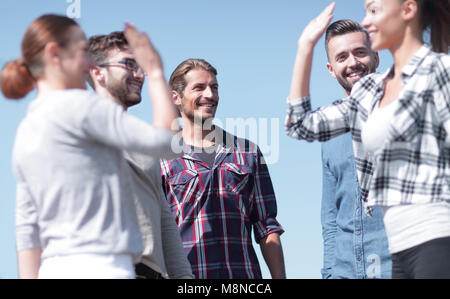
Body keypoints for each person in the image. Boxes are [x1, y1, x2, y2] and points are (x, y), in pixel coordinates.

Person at [1, 15, 180, 278]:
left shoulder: (25, 131)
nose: (88, 63)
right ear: (54, 54)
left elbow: (27, 230)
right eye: (83, 51)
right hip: (105, 267)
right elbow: (169, 144)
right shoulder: (82, 107)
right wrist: (154, 72)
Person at [285, 1, 450, 279]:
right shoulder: (364, 98)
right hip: (380, 259)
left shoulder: (434, 73)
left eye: (374, 10)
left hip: (430, 241)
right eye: (342, 57)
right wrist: (305, 46)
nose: (367, 20)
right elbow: (299, 125)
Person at [161, 58, 286, 279]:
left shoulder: (248, 152)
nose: (210, 95)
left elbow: (267, 227)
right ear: (176, 97)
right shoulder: (162, 158)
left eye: (214, 87)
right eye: (199, 87)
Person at [87, 31, 193, 279]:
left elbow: (163, 218)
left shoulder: (143, 142)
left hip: (152, 272)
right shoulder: (83, 129)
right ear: (97, 71)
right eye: (128, 64)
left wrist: (184, 279)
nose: (139, 74)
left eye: (141, 66)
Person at [320, 19, 391, 278]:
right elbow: (331, 218)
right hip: (344, 272)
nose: (352, 63)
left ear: (376, 56)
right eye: (342, 57)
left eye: (359, 52)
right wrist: (329, 273)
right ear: (331, 68)